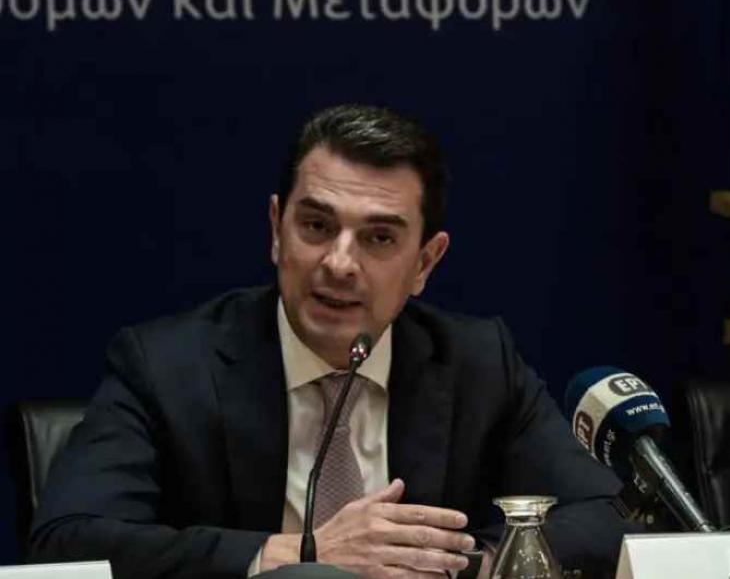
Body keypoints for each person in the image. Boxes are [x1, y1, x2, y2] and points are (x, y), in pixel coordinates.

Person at [30, 104, 629, 578]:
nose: (339, 263)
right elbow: (68, 542)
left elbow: (606, 518)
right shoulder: (166, 366)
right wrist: (300, 554)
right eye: (316, 226)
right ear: (277, 230)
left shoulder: (478, 363)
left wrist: (456, 562)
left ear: (425, 262)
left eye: (379, 239)